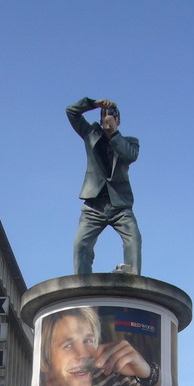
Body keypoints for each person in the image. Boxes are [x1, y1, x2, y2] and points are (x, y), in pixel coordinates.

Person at [67, 97, 142, 275]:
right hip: (94, 205)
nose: (107, 120)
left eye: (111, 117)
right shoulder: (91, 134)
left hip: (120, 205)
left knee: (134, 239)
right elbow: (71, 112)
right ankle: (81, 283)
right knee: (80, 244)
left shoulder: (130, 142)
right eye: (104, 117)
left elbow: (130, 156)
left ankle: (134, 282)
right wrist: (94, 104)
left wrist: (114, 134)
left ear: (118, 120)